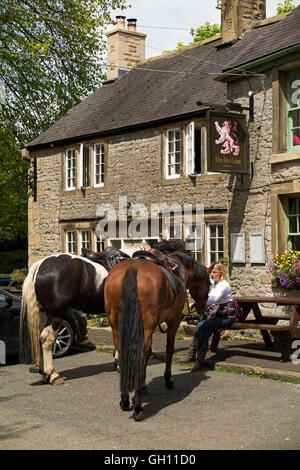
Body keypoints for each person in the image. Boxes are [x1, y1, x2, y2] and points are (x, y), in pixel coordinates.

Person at [180, 262, 240, 371]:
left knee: (201, 325)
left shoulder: (223, 285)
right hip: (217, 315)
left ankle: (191, 354)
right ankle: (199, 361)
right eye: (211, 272)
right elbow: (204, 282)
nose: (212, 274)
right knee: (206, 331)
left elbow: (213, 299)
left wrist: (197, 301)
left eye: (215, 272)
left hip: (227, 317)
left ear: (221, 273)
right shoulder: (214, 282)